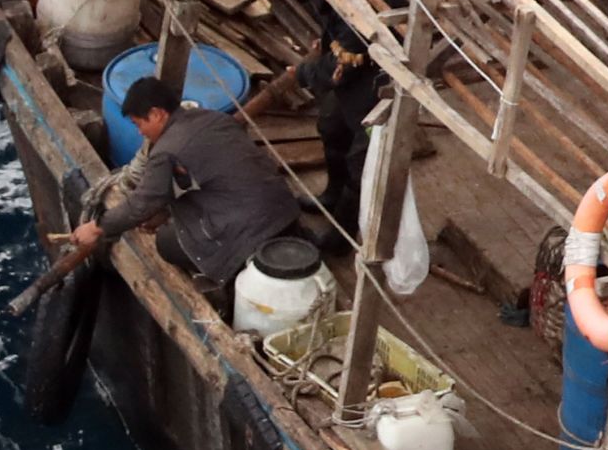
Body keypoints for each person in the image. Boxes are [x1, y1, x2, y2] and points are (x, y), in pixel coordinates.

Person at [73, 76, 297, 293]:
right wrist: (163, 211)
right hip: (283, 209)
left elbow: (141, 204)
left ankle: (228, 278)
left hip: (251, 232)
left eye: (139, 124)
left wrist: (96, 228)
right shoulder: (214, 118)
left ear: (156, 114)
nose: (140, 132)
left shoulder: (165, 150)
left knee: (167, 240)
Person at [242, 21, 382, 238]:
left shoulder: (365, 18)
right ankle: (332, 195)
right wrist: (327, 41)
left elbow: (343, 63)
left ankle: (341, 235)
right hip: (354, 79)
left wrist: (304, 74)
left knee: (360, 164)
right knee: (331, 127)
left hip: (380, 90)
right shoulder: (340, 4)